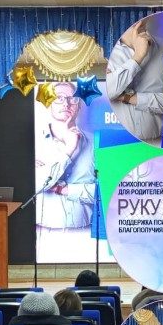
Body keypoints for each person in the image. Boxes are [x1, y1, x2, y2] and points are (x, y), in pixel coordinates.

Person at [35, 82, 95, 229]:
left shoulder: (95, 142)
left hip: (85, 233)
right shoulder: (34, 142)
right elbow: (36, 185)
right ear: (49, 104)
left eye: (73, 99)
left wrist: (65, 189)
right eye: (59, 98)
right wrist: (69, 148)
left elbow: (106, 190)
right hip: (43, 233)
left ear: (79, 106)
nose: (66, 104)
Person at [107, 18, 163, 146]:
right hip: (119, 145)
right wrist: (138, 56)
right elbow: (108, 92)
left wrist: (130, 97)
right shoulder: (107, 55)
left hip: (159, 144)